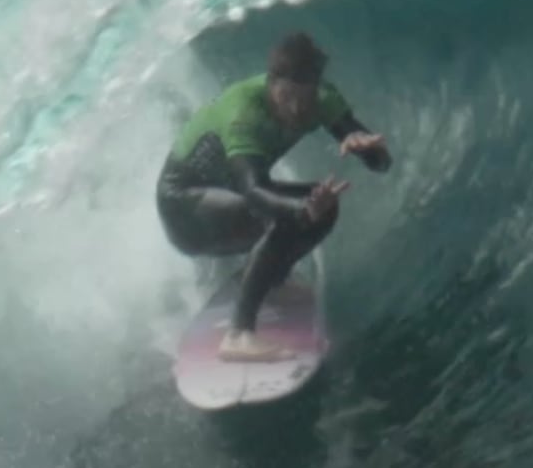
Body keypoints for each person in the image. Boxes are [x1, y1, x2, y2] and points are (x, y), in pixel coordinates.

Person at [157, 31, 391, 360]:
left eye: (306, 99)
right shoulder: (244, 112)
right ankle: (238, 335)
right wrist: (303, 209)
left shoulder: (323, 101)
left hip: (227, 203)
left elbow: (381, 164)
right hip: (183, 209)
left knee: (324, 205)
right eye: (288, 97)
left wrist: (372, 151)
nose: (297, 109)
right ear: (272, 83)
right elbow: (253, 192)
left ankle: (274, 280)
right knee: (287, 212)